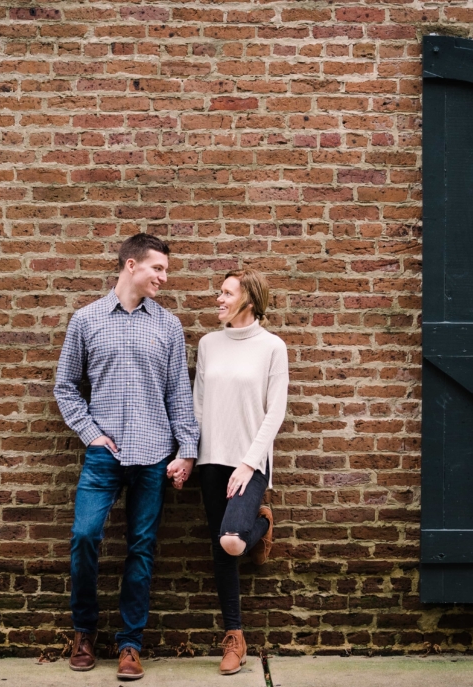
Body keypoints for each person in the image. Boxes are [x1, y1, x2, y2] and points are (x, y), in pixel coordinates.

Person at [54, 233, 199, 681]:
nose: (163, 278)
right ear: (131, 265)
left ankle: (130, 645)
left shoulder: (168, 326)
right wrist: (91, 433)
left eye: (166, 271)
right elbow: (65, 387)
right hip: (105, 456)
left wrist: (187, 452)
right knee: (84, 536)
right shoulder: (86, 319)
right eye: (158, 269)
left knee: (141, 549)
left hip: (155, 455)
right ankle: (84, 632)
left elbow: (179, 395)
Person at [169, 268, 288, 675]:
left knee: (234, 540)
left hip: (249, 461)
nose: (218, 299)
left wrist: (249, 462)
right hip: (212, 458)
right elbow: (198, 405)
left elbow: (276, 412)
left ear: (249, 301)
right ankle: (234, 636)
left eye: (225, 293)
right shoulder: (209, 344)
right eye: (219, 293)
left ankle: (261, 526)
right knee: (220, 545)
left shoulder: (272, 347)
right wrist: (189, 456)